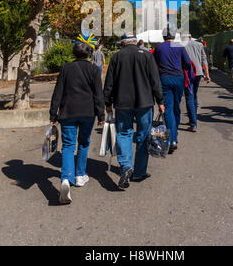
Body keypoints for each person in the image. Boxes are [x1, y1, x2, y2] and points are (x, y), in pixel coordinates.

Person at [104, 33, 164, 189]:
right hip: (145, 102)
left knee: (124, 133)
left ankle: (126, 167)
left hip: (122, 103)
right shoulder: (146, 55)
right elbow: (155, 80)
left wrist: (107, 102)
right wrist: (160, 101)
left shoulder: (117, 57)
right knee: (143, 136)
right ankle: (139, 172)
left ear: (123, 43)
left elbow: (109, 82)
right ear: (135, 42)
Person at [49, 41, 105, 204]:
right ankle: (80, 175)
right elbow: (98, 94)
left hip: (68, 112)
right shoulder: (94, 69)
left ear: (73, 53)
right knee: (83, 143)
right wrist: (101, 114)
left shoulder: (66, 68)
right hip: (88, 112)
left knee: (67, 145)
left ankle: (66, 178)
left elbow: (58, 92)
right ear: (88, 54)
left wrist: (53, 113)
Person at [154, 26, 193, 152]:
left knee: (168, 109)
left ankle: (171, 139)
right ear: (174, 35)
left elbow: (155, 64)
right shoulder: (180, 47)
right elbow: (187, 63)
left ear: (164, 36)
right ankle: (174, 137)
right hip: (178, 78)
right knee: (176, 107)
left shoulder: (159, 48)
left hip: (164, 79)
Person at [182, 34, 211, 132]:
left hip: (188, 73)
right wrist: (207, 74)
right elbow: (204, 60)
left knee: (189, 96)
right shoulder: (199, 45)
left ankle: (193, 123)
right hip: (198, 72)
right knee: (194, 95)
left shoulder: (182, 45)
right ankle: (192, 118)